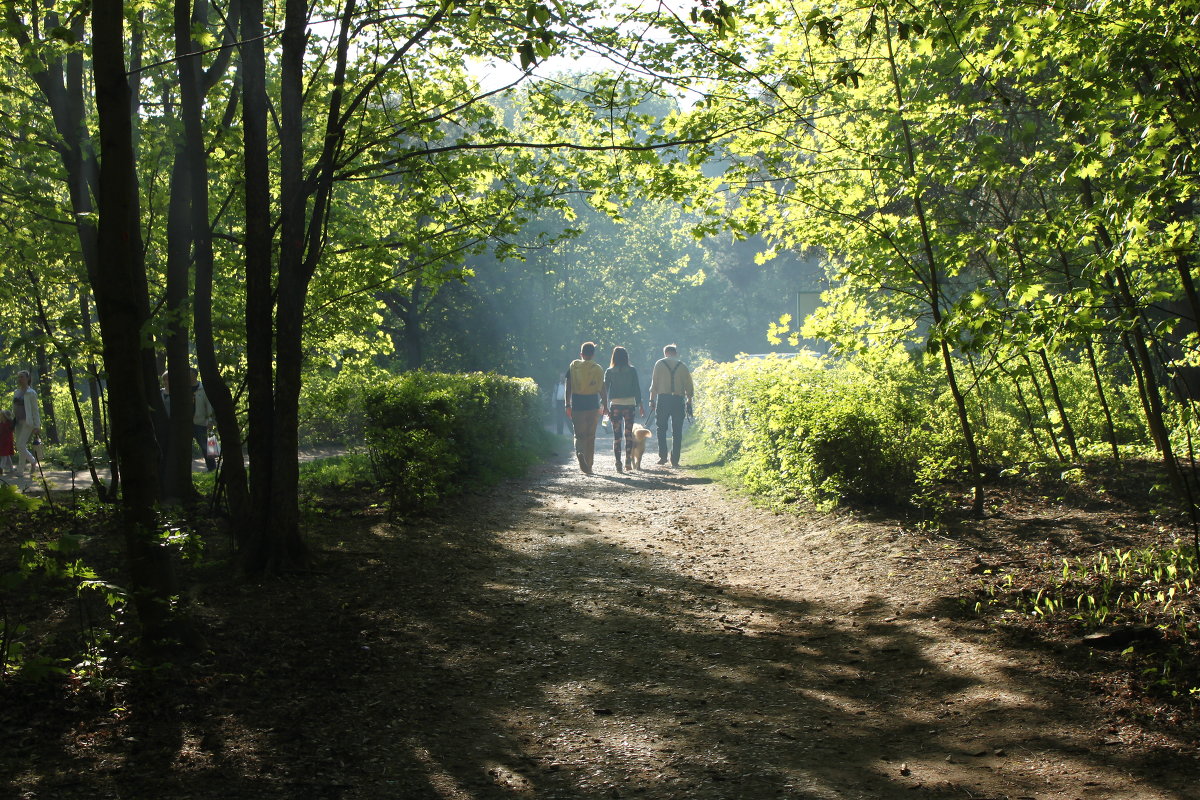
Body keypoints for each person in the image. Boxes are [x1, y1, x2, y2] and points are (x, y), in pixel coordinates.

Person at [648, 344, 694, 467]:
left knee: (661, 428)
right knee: (677, 431)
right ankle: (675, 460)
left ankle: (663, 457)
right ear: (676, 353)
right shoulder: (682, 366)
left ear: (665, 353)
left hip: (663, 399)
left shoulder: (659, 364)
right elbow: (689, 386)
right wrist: (689, 401)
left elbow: (654, 384)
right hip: (678, 400)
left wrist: (651, 401)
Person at [565, 341, 606, 475]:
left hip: (577, 404)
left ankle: (579, 453)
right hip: (592, 405)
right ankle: (589, 466)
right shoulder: (598, 368)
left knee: (579, 435)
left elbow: (568, 386)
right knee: (590, 436)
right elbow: (602, 388)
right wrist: (605, 405)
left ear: (581, 354)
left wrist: (567, 404)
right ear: (593, 355)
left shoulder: (573, 366)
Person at [604, 346, 644, 473]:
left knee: (617, 436)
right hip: (629, 405)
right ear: (626, 356)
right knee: (628, 435)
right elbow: (637, 388)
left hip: (615, 405)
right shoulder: (632, 370)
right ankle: (628, 460)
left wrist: (603, 405)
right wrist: (640, 405)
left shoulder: (609, 371)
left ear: (613, 357)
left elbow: (604, 390)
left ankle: (618, 462)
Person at [12, 370, 41, 477]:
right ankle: (20, 471)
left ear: (28, 379)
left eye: (22, 377)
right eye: (19, 377)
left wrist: (37, 425)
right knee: (20, 446)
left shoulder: (31, 393)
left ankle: (33, 461)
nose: (20, 379)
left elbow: (35, 410)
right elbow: (14, 407)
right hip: (17, 422)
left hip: (28, 423)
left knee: (20, 445)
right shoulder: (16, 392)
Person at [0, 409, 14, 474]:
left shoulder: (8, 423)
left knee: (4, 455)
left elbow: (9, 432)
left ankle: (1, 468)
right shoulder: (1, 423)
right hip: (2, 441)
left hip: (7, 441)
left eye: (1, 416)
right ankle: (11, 469)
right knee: (7, 455)